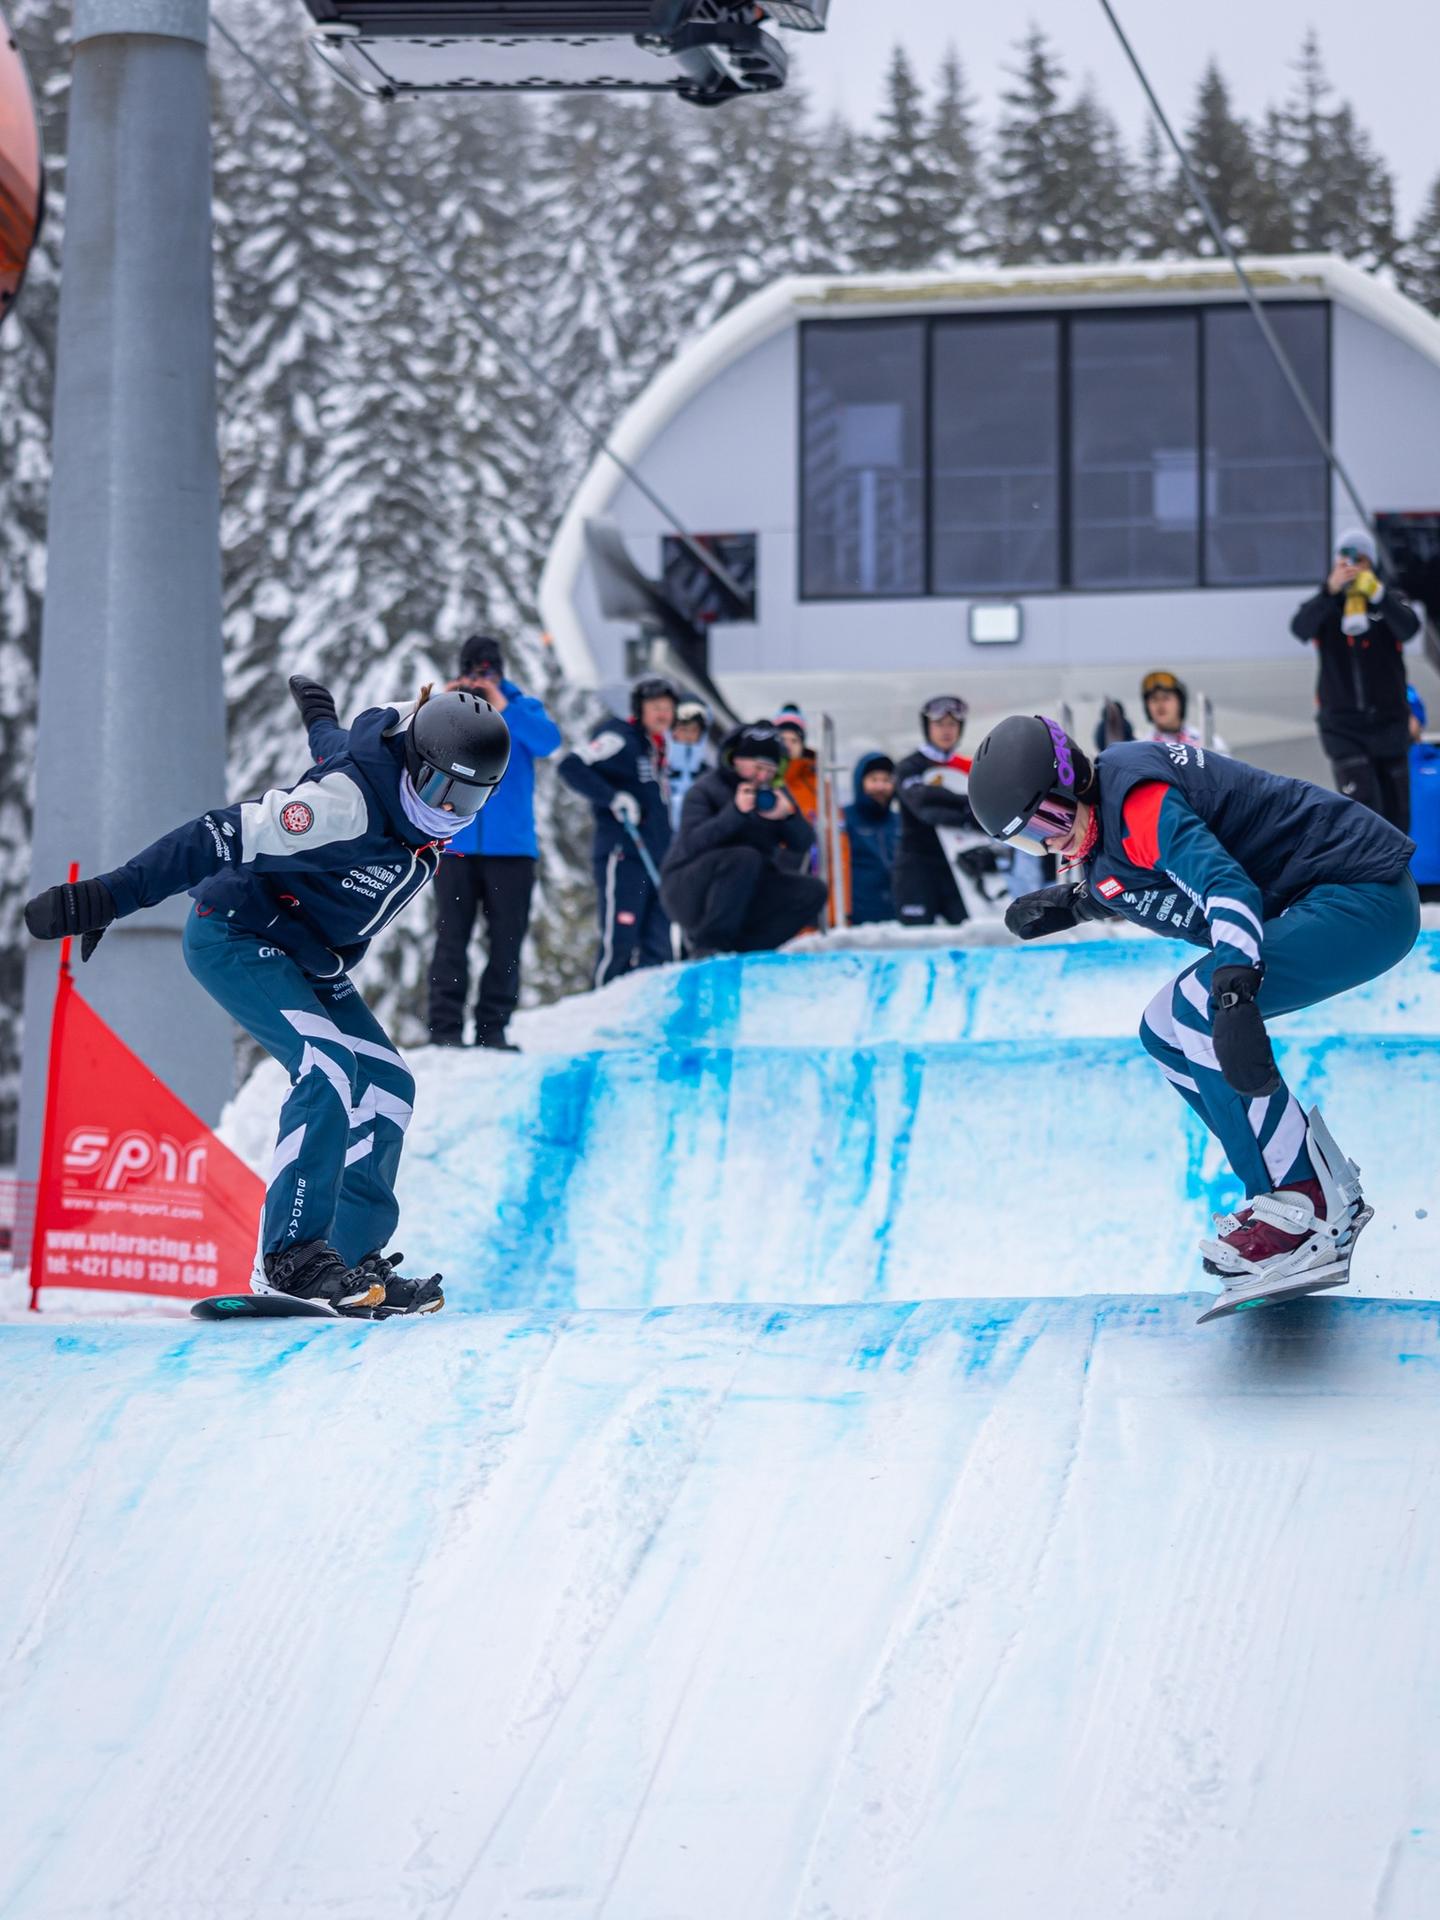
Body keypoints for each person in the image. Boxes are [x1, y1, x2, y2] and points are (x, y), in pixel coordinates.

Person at [23, 680, 513, 1315]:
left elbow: (345, 746)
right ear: (415, 765)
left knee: (389, 1086)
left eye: (471, 795)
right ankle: (291, 1258)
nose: (451, 808)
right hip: (236, 931)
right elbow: (217, 834)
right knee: (327, 1065)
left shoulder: (407, 772)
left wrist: (321, 717)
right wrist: (112, 895)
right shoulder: (345, 807)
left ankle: (350, 1260)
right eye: (441, 789)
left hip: (307, 953)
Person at [968, 714, 1418, 1317]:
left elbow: (1222, 884)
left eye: (1047, 821)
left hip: (1363, 895)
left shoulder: (1139, 800)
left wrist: (1232, 989)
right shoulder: (1104, 837)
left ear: (1072, 776)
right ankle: (1279, 1199)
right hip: (1325, 901)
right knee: (1161, 1029)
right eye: (1028, 840)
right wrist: (1070, 905)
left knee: (1199, 1005)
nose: (1048, 844)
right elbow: (1129, 879)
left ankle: (1305, 1201)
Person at [425, 634, 561, 1051]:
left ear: (501, 672)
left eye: (488, 671)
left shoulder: (521, 707)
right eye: (474, 671)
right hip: (456, 844)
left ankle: (493, 1029)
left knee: (506, 941)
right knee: (451, 939)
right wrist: (439, 705)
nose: (481, 679)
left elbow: (548, 742)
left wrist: (504, 705)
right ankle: (445, 1030)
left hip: (512, 850)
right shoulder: (451, 708)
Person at [1291, 525, 1421, 831]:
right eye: (1346, 561)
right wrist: (1329, 591)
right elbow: (1299, 628)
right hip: (1344, 728)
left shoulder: (1390, 600)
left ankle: (1399, 877)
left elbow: (1409, 628)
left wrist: (1378, 594)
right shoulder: (1327, 607)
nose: (1353, 567)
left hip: (1389, 724)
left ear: (1371, 564)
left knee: (1397, 816)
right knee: (1363, 812)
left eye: (1360, 560)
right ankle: (1366, 878)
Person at [661, 722, 828, 955]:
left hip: (745, 891)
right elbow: (692, 842)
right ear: (736, 760)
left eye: (770, 770)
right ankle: (710, 946)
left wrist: (788, 817)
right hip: (689, 889)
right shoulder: (705, 790)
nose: (762, 775)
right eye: (757, 767)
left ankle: (750, 950)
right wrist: (735, 812)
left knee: (812, 891)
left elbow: (803, 842)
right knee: (744, 858)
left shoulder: (773, 794)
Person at [559, 675, 675, 986]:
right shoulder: (620, 737)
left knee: (659, 945)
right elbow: (571, 765)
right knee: (621, 939)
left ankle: (649, 1014)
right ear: (640, 709)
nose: (663, 714)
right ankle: (604, 1007)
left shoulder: (658, 746)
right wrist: (612, 797)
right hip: (624, 854)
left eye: (668, 708)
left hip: (657, 857)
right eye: (656, 707)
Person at [893, 695, 988, 925]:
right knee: (917, 937)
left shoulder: (969, 767)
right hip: (918, 866)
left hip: (959, 866)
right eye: (939, 724)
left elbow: (988, 811)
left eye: (952, 724)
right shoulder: (910, 766)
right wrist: (968, 808)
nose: (947, 730)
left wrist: (946, 799)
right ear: (927, 727)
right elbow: (926, 811)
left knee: (969, 934)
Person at [1096, 672, 1229, 755]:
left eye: (1166, 698)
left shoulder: (1208, 742)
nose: (1160, 705)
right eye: (1154, 700)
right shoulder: (1141, 747)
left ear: (1180, 703)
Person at [843, 752, 899, 926]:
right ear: (860, 783)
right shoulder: (843, 819)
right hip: (857, 920)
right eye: (874, 780)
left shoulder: (901, 822)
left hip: (897, 919)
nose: (880, 787)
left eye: (886, 780)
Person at [774, 703, 821, 868]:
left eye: (794, 740)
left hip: (809, 869)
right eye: (782, 739)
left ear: (802, 745)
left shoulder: (819, 785)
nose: (787, 745)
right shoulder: (763, 781)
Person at [667, 697, 714, 831]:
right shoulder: (659, 769)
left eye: (694, 730)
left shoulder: (709, 773)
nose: (688, 735)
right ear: (672, 731)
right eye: (683, 729)